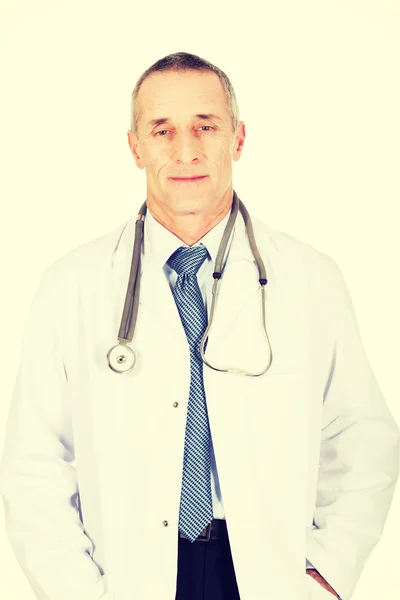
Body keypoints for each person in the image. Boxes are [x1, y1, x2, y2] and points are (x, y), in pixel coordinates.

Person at [0, 51, 399, 600]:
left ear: (237, 139)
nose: (185, 151)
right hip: (128, 573)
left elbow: (362, 439)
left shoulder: (311, 280)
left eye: (205, 126)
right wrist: (75, 591)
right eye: (161, 130)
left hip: (268, 572)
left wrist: (327, 574)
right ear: (135, 147)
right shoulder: (70, 286)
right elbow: (32, 462)